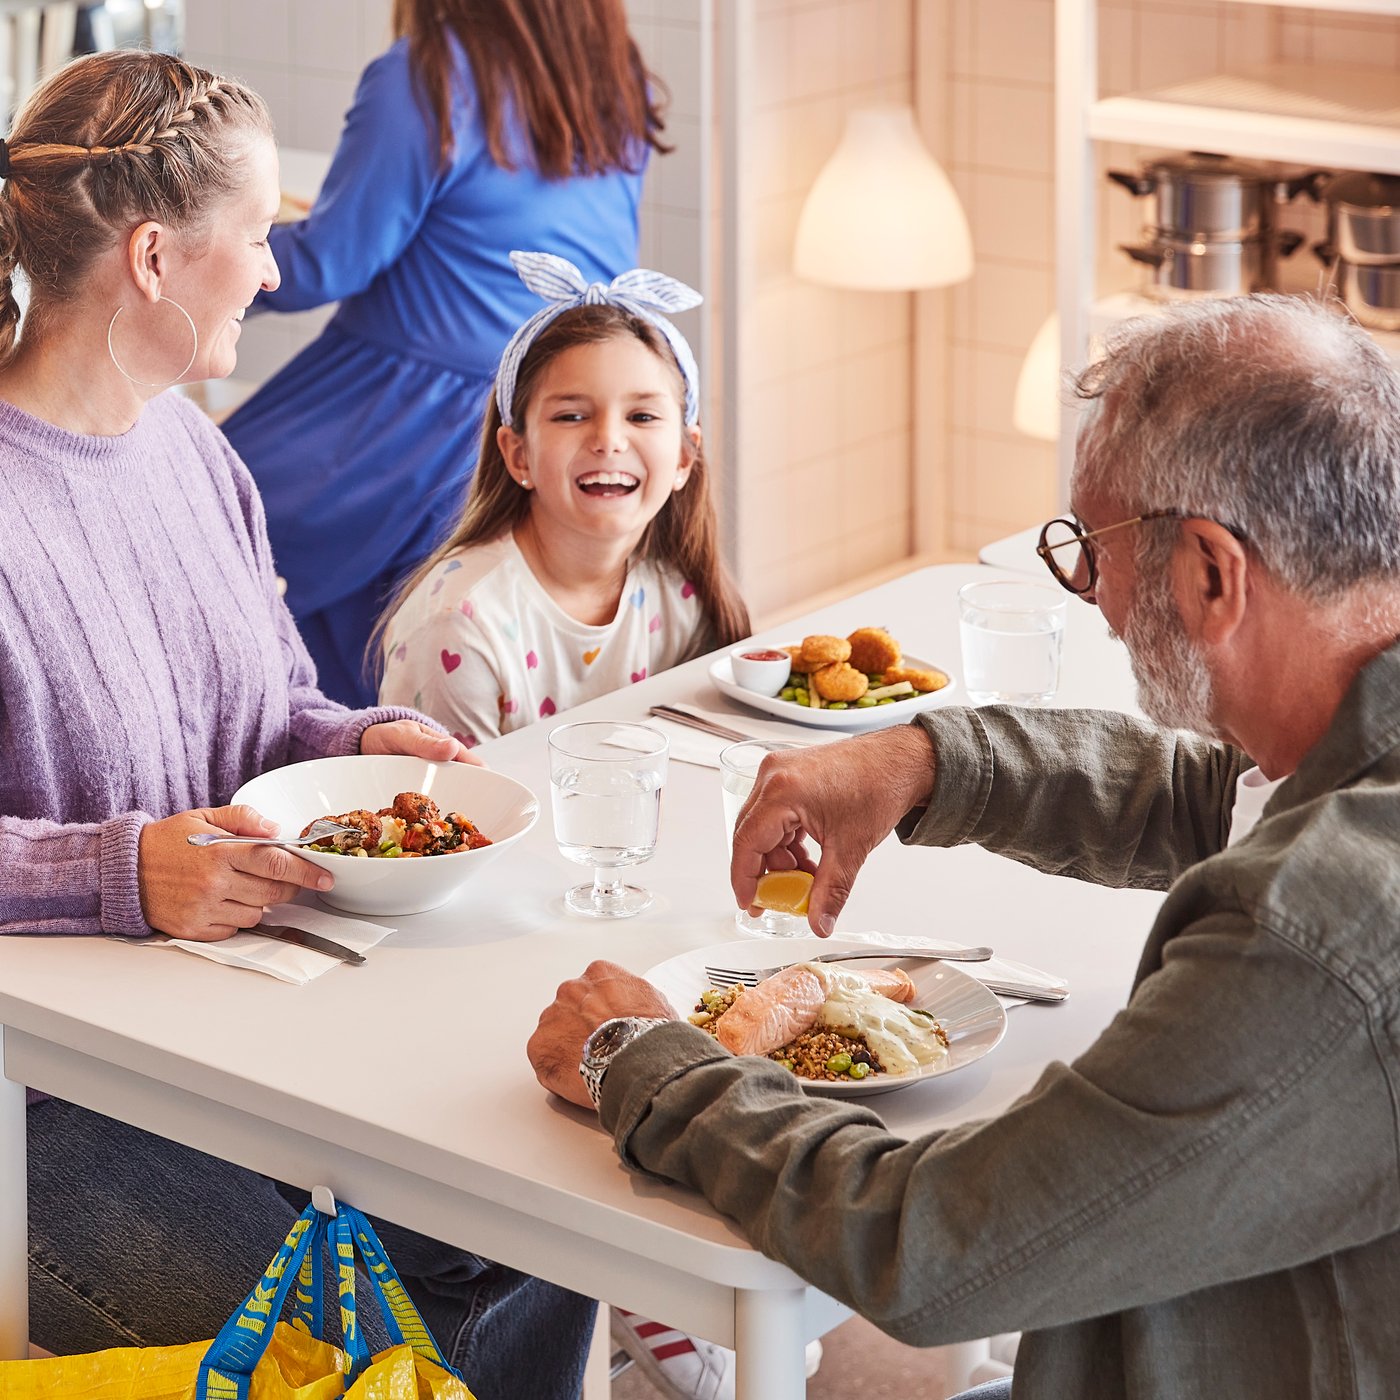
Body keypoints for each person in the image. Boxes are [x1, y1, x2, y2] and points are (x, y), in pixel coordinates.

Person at [528, 293, 1400, 1399]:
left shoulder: (1310, 930)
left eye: (1092, 553)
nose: (1094, 601)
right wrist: (925, 759)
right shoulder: (1348, 765)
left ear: (1212, 573)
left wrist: (642, 1062)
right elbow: (1218, 798)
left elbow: (934, 1241)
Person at [0, 50, 593, 1398]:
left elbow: (270, 709)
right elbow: (130, 861)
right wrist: (119, 871)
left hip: (232, 1038)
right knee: (352, 1358)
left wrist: (361, 744)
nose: (275, 273)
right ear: (155, 258)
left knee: (555, 1214)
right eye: (259, 235)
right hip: (42, 1107)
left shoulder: (198, 455)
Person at [220, 0, 667, 709]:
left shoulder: (423, 78)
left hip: (407, 412)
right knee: (373, 625)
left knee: (200, 511)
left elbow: (333, 260)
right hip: (541, 408)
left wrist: (197, 254)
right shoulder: (613, 73)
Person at [376, 251, 749, 747]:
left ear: (684, 456)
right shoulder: (456, 626)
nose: (608, 440)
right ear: (519, 455)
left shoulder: (681, 596)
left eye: (641, 417)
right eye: (571, 416)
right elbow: (449, 795)